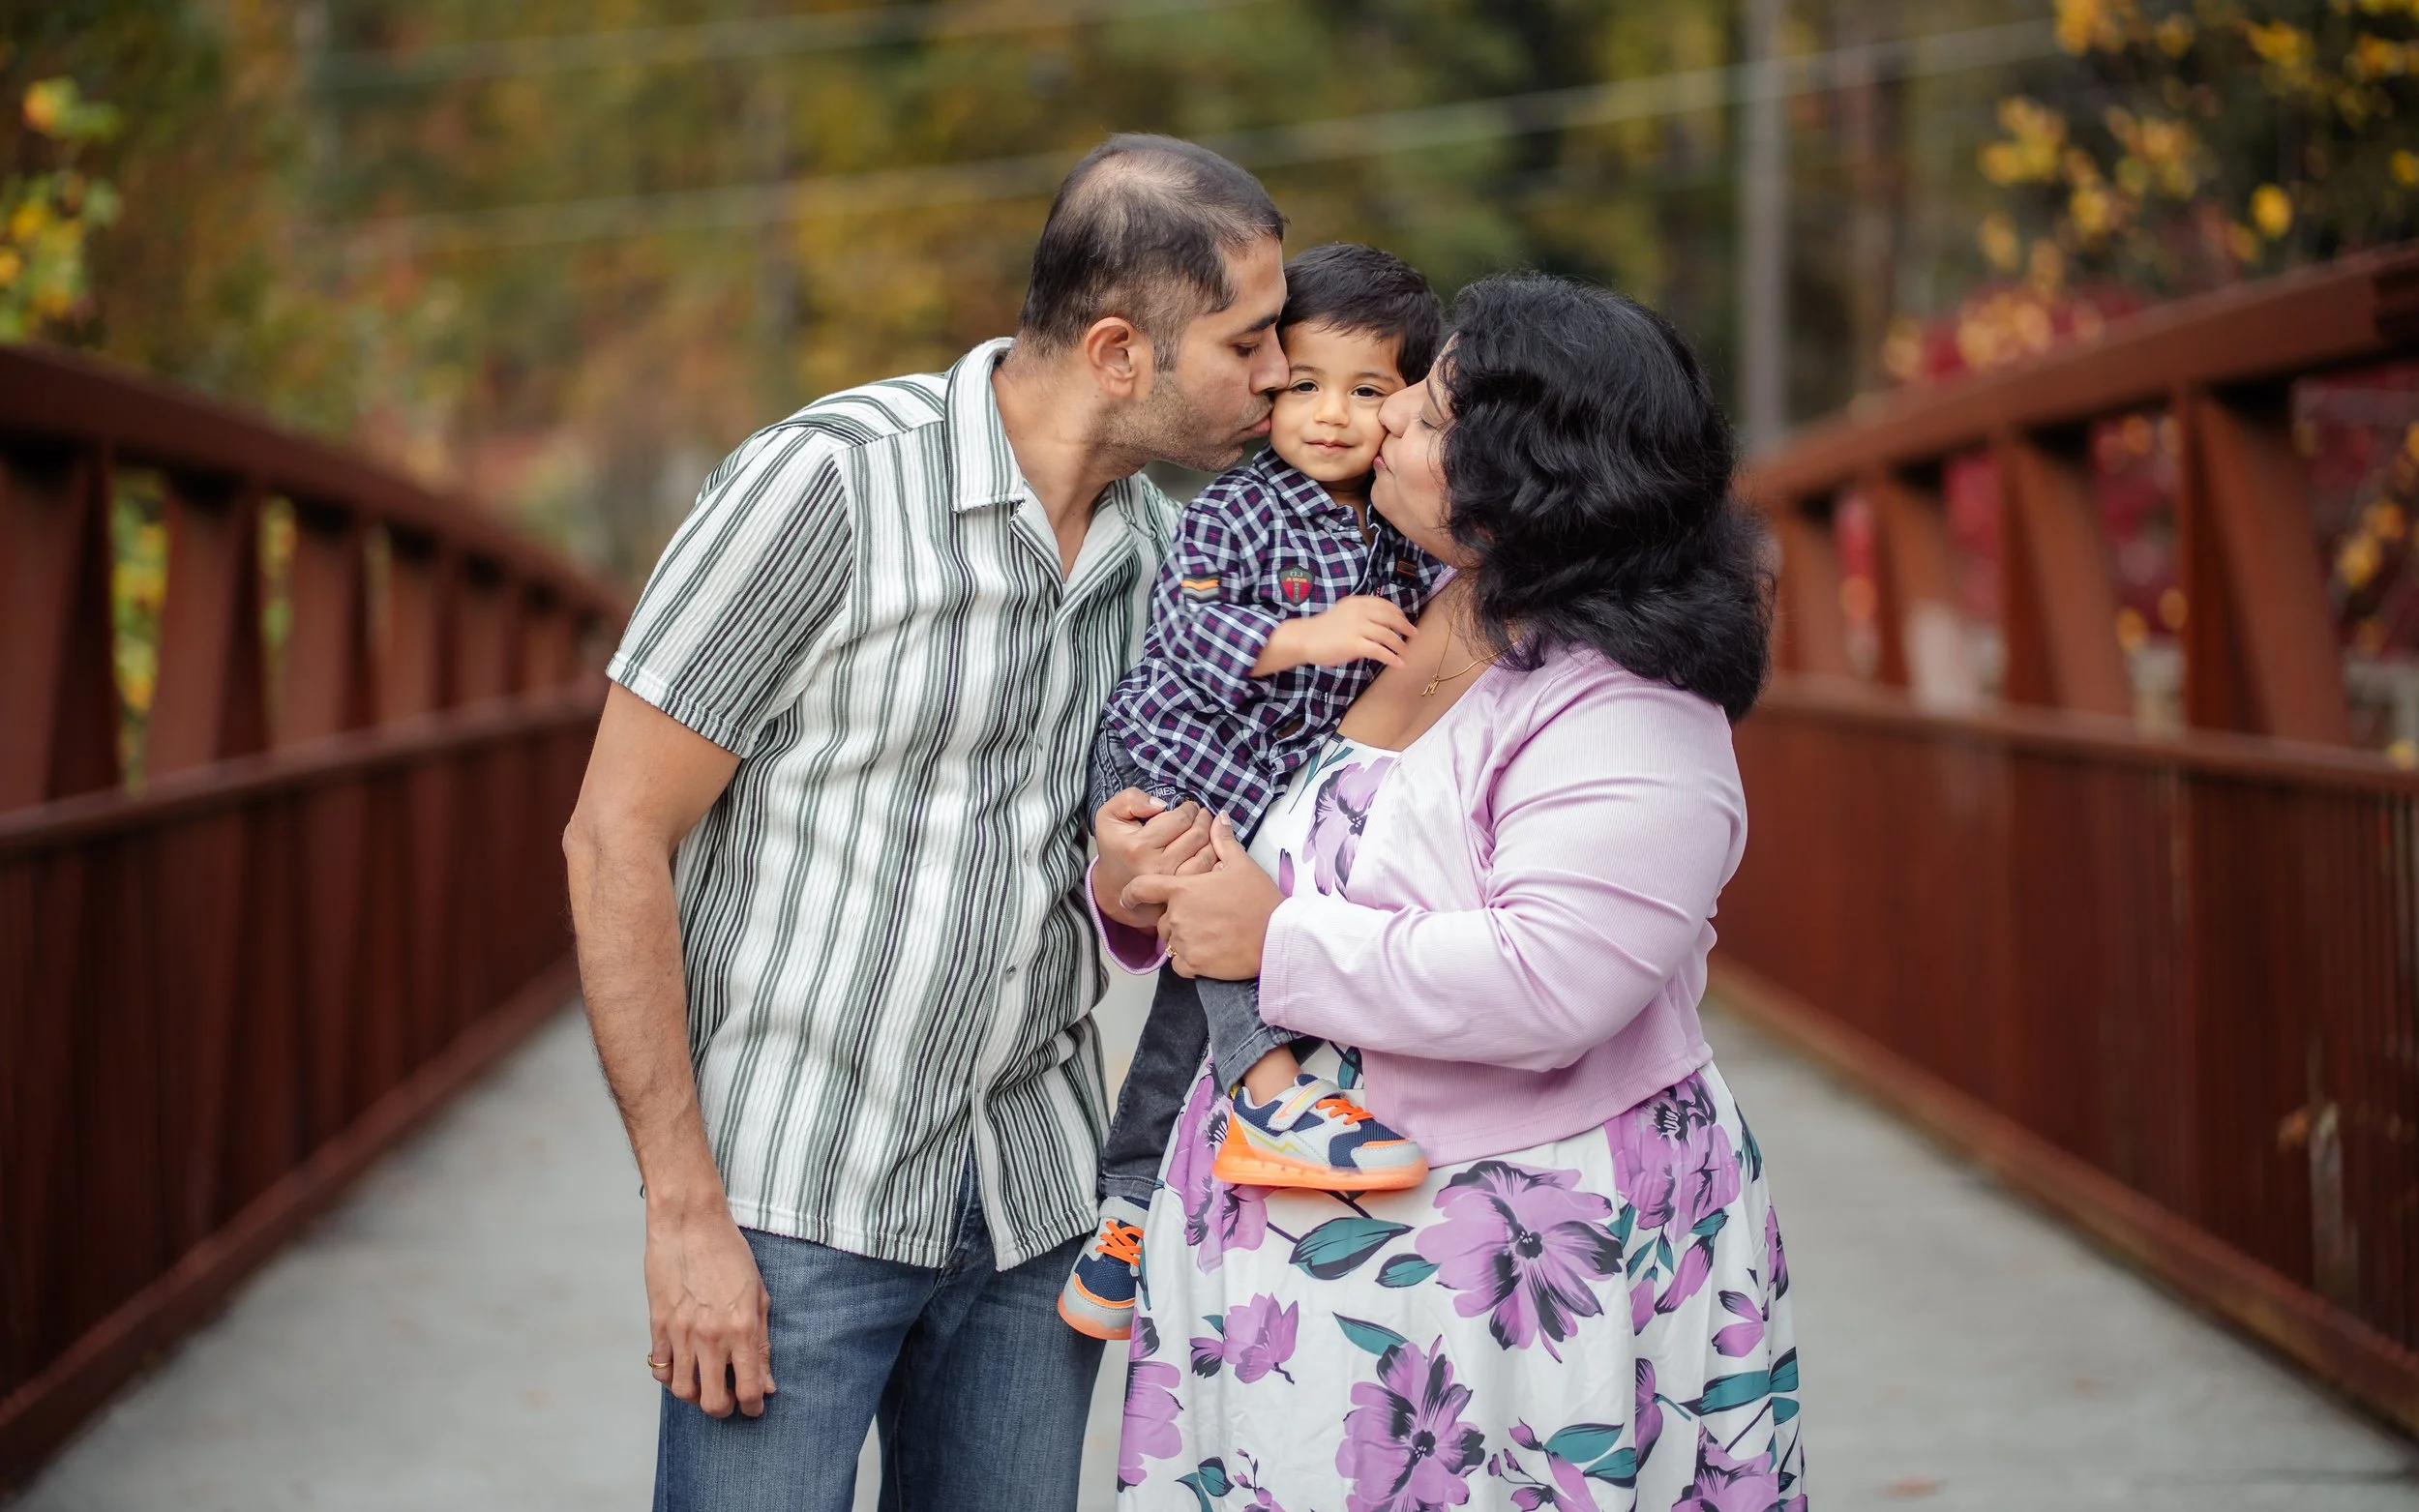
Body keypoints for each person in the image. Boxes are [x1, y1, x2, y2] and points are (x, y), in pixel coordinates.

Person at [560, 134, 1290, 1512]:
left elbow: (1082, 869)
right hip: (794, 1202)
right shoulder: (827, 485)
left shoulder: (1163, 554)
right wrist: (682, 1209)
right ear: (1123, 351)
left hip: (1032, 1207)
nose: (1277, 376)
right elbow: (613, 839)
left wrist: (1125, 881)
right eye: (1250, 345)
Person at [1093, 274, 1807, 1510]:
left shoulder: (1629, 701)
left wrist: (1277, 938)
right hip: (1296, 1256)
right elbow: (1265, 825)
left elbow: (1554, 981)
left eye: (1425, 413)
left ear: (1523, 475)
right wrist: (1138, 877)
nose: (1384, 424)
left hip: (1506, 1277)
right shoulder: (1417, 603)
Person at [1059, 242, 1448, 1346]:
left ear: (1408, 404)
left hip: (1264, 802)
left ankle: (1126, 1215)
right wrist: (1303, 637)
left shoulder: (1403, 526)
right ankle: (1269, 1089)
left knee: (1192, 1002)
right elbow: (1182, 631)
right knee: (1224, 962)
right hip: (1177, 766)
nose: (1330, 416)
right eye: (1305, 384)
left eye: (1368, 392)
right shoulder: (1237, 507)